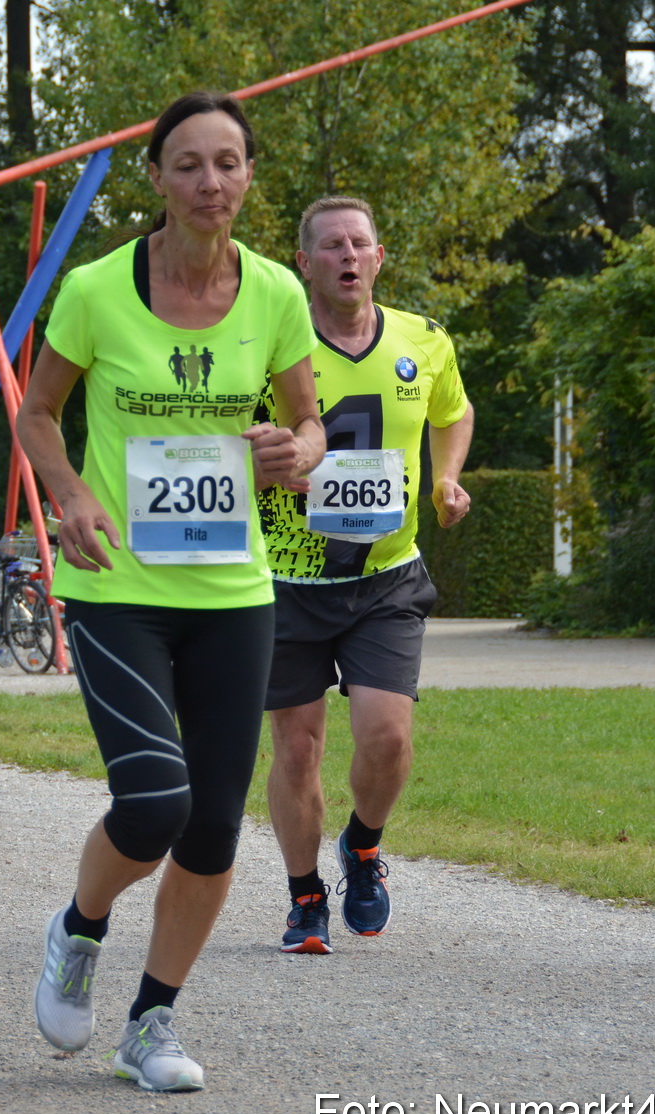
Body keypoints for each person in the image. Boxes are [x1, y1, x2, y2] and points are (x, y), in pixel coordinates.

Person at [15, 92, 324, 1092]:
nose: (209, 182)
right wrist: (68, 494)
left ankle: (151, 1023)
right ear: (155, 177)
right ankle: (79, 928)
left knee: (213, 825)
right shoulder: (97, 290)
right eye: (187, 164)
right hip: (117, 584)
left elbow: (311, 425)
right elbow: (37, 413)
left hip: (233, 593)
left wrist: (295, 452)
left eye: (227, 163)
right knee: (154, 798)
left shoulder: (276, 292)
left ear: (249, 176)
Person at [256, 196, 473, 955]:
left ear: (379, 258)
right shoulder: (271, 348)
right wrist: (272, 465)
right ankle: (304, 894)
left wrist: (446, 477)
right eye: (331, 245)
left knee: (387, 737)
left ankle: (363, 844)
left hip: (387, 576)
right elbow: (227, 435)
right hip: (288, 578)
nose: (347, 255)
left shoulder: (425, 339)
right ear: (304, 263)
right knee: (298, 749)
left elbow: (454, 411)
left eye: (359, 243)